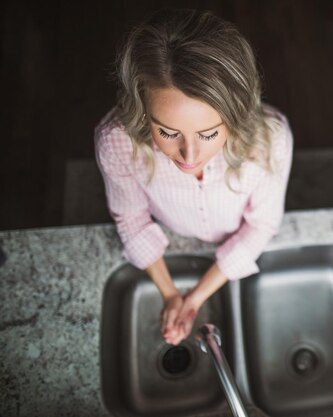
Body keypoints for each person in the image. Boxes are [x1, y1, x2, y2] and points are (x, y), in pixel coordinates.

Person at [94, 9, 293, 346]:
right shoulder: (117, 142)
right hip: (173, 231)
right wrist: (170, 293)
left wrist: (195, 297)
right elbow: (130, 217)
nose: (188, 155)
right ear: (143, 110)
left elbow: (261, 225)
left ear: (236, 112)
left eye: (208, 134)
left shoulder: (270, 140)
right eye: (167, 132)